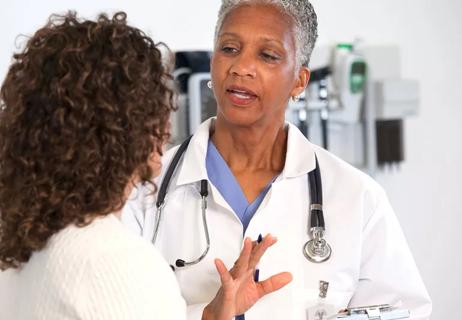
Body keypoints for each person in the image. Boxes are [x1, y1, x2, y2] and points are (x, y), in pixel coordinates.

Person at [122, 1, 432, 319]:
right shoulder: (141, 192)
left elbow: (404, 312)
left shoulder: (358, 198)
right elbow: (106, 307)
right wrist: (206, 316)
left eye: (267, 55)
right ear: (213, 62)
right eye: (229, 48)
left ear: (299, 81)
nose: (241, 67)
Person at [0, 11, 291, 320]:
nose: (166, 127)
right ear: (126, 127)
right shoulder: (117, 263)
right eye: (158, 105)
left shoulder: (21, 249)